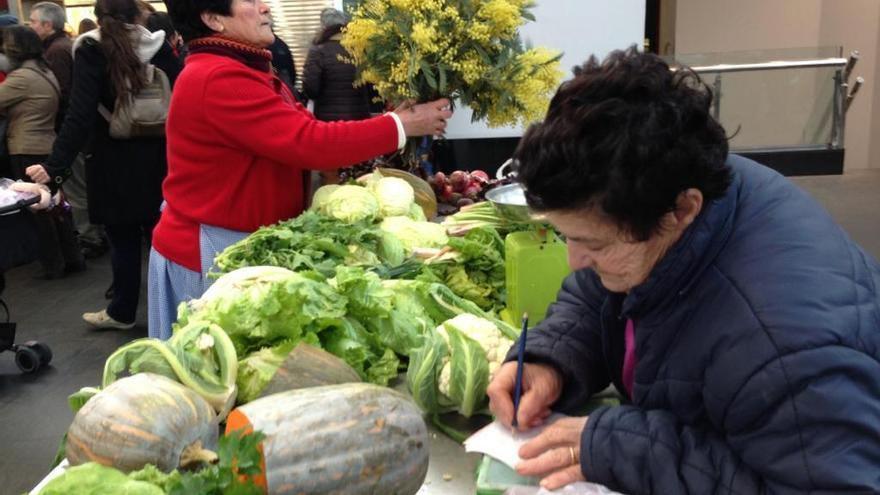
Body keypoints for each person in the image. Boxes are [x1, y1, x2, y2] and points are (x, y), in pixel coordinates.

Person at [486, 47, 880, 494]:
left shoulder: (784, 352)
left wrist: (626, 450)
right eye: (568, 237)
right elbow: (602, 292)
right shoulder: (676, 184)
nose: (574, 260)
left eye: (592, 243)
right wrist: (551, 357)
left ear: (682, 210)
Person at [151, 0, 451, 339]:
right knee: (214, 372)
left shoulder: (245, 67)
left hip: (241, 243)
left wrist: (393, 120)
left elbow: (307, 129)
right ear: (212, 18)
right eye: (249, 1)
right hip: (212, 250)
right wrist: (399, 126)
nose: (265, 7)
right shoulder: (218, 76)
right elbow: (308, 143)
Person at [26, 0, 182, 329]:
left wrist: (54, 168)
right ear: (138, 14)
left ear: (98, 15)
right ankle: (180, 308)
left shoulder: (92, 48)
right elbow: (181, 93)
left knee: (123, 239)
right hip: (160, 155)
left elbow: (80, 114)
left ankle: (122, 311)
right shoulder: (156, 44)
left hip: (112, 158)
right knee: (164, 236)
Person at [0, 25, 84, 279]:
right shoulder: (43, 70)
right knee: (57, 207)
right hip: (46, 143)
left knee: (37, 209)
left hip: (26, 147)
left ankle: (52, 264)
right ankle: (71, 257)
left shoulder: (21, 78)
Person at [31, 2, 108, 260]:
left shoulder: (57, 51)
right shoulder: (65, 47)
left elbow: (69, 100)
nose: (30, 26)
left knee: (77, 188)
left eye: (33, 21)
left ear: (47, 24)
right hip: (83, 131)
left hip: (74, 132)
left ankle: (91, 237)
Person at [303, 8, 381, 184]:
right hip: (360, 119)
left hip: (330, 124)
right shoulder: (360, 50)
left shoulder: (319, 51)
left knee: (333, 172)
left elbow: (311, 89)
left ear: (323, 26)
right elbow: (373, 89)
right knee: (359, 171)